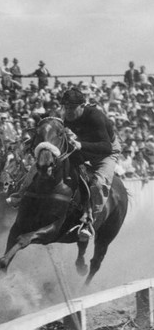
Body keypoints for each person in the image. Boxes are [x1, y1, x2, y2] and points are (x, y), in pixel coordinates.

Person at [61, 87, 121, 239]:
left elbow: (106, 147)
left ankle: (88, 222)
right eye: (66, 107)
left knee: (98, 184)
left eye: (72, 108)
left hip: (107, 152)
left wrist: (81, 145)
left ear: (82, 106)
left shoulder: (95, 116)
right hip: (86, 147)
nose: (68, 111)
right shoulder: (68, 118)